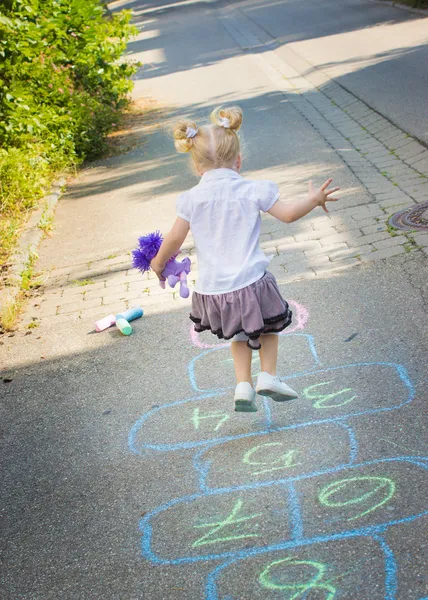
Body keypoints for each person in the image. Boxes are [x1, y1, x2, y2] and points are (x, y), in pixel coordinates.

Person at [150, 106, 340, 412]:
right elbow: (290, 215)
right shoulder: (253, 189)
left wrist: (158, 264)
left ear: (197, 168)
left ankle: (243, 386)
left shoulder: (190, 199)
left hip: (215, 292)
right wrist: (314, 199)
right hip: (252, 283)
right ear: (238, 161)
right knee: (267, 328)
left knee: (239, 336)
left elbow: (173, 239)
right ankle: (268, 376)